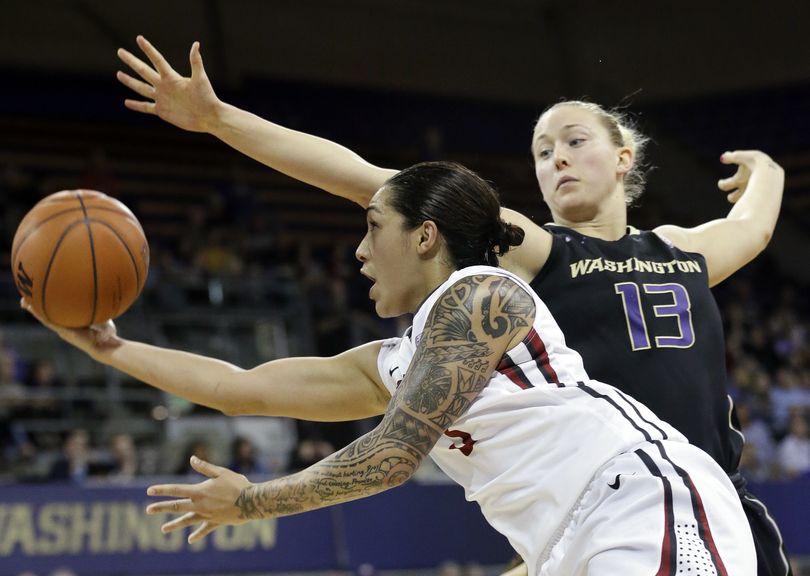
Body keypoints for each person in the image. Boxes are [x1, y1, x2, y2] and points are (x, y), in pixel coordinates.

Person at [115, 35, 789, 576]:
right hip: (595, 507)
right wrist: (217, 120)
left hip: (683, 493)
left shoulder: (678, 251)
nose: (556, 158)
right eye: (542, 150)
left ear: (624, 156)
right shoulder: (534, 250)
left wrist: (770, 170)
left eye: (574, 140)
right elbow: (375, 185)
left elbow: (754, 229)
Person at [28, 162, 755, 574]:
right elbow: (238, 389)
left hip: (648, 505)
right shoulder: (400, 361)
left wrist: (254, 502)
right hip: (563, 542)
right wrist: (106, 348)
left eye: (374, 227)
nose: (359, 251)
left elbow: (392, 455)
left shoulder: (483, 297)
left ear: (427, 236)